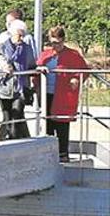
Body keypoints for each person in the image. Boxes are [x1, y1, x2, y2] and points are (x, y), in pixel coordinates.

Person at [35, 26, 89, 162]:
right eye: (53, 42)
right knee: (48, 125)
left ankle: (63, 155)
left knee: (62, 125)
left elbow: (84, 71)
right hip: (46, 94)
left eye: (58, 42)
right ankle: (47, 155)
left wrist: (76, 78)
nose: (56, 46)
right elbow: (36, 69)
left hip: (64, 96)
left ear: (63, 40)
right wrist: (39, 70)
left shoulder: (73, 55)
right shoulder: (45, 54)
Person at [0, 19, 36, 140]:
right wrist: (4, 66)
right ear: (12, 33)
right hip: (5, 88)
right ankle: (11, 141)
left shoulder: (27, 48)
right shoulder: (1, 47)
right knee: (7, 118)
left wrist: (37, 69)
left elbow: (31, 64)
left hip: (20, 88)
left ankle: (14, 142)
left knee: (17, 116)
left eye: (23, 35)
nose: (20, 38)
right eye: (18, 35)